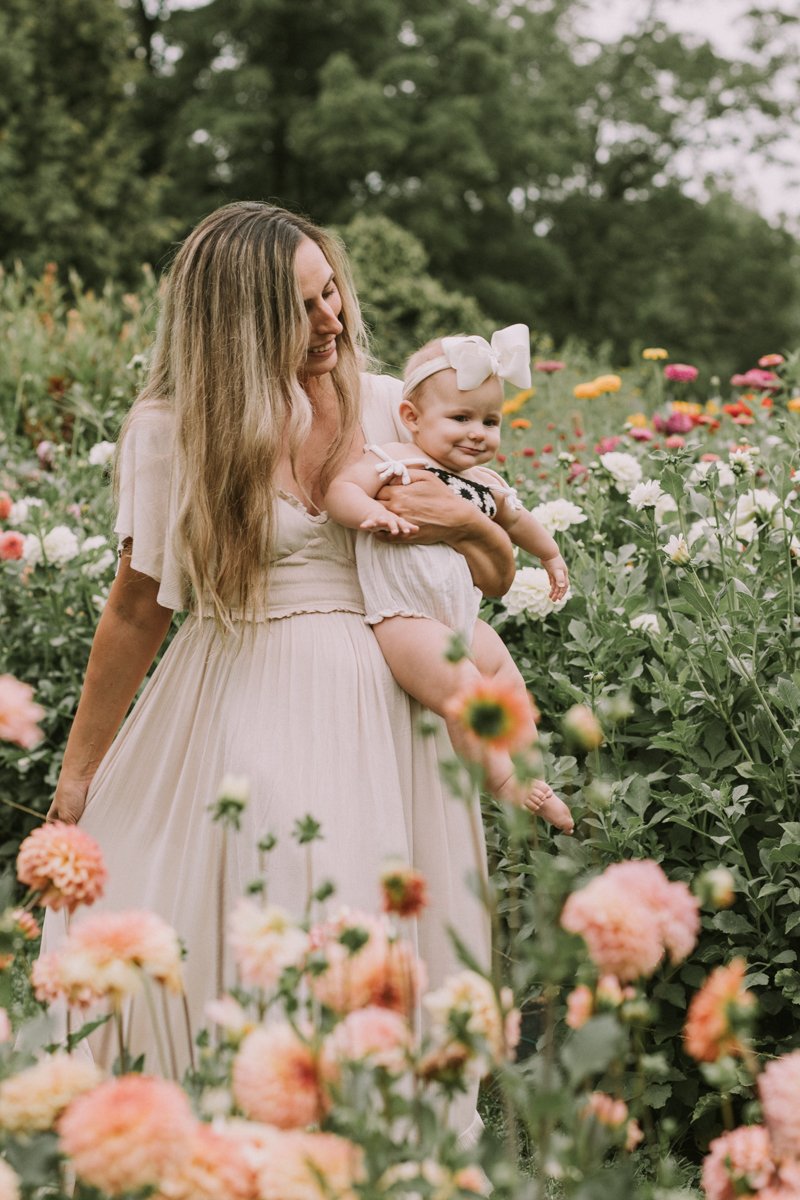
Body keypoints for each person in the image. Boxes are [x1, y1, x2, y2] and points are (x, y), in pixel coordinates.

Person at [40, 201, 518, 1144]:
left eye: (331, 289)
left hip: (392, 696)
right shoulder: (173, 430)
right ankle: (257, 1130)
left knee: (392, 921)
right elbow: (139, 605)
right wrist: (81, 766)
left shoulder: (391, 404)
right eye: (303, 307)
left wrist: (469, 526)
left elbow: (486, 575)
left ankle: (378, 1144)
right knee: (289, 899)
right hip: (247, 683)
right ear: (239, 322)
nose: (333, 319)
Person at [324, 328, 573, 833]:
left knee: (505, 681)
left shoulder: (486, 485)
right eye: (460, 419)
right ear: (413, 418)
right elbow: (339, 491)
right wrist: (369, 512)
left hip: (463, 617)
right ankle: (504, 785)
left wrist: (550, 554)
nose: (477, 432)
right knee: (464, 687)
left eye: (489, 421)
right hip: (404, 617)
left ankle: (529, 768)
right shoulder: (396, 461)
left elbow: (519, 522)